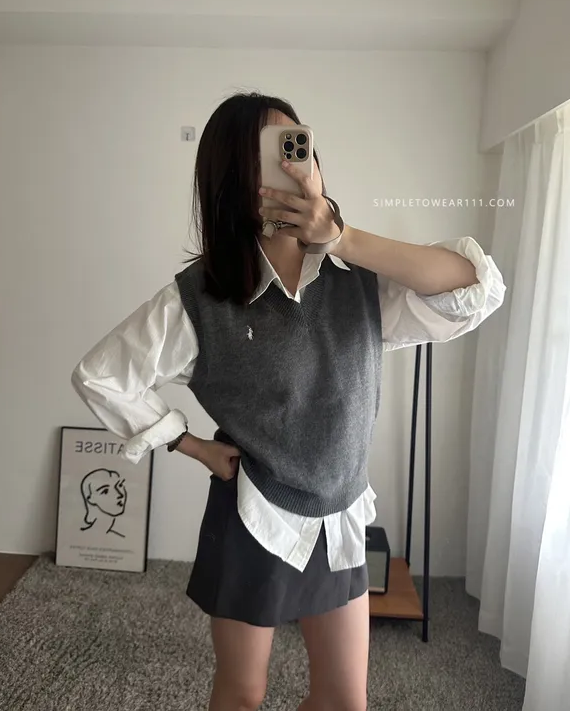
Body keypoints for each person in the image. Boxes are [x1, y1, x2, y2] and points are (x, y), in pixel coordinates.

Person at [72, 92, 505, 711]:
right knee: (242, 694)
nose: (293, 167)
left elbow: (474, 286)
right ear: (234, 178)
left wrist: (342, 236)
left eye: (298, 148)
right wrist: (189, 444)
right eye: (272, 155)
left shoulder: (362, 284)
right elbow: (101, 376)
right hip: (255, 512)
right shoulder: (200, 299)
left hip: (340, 513)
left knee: (345, 701)